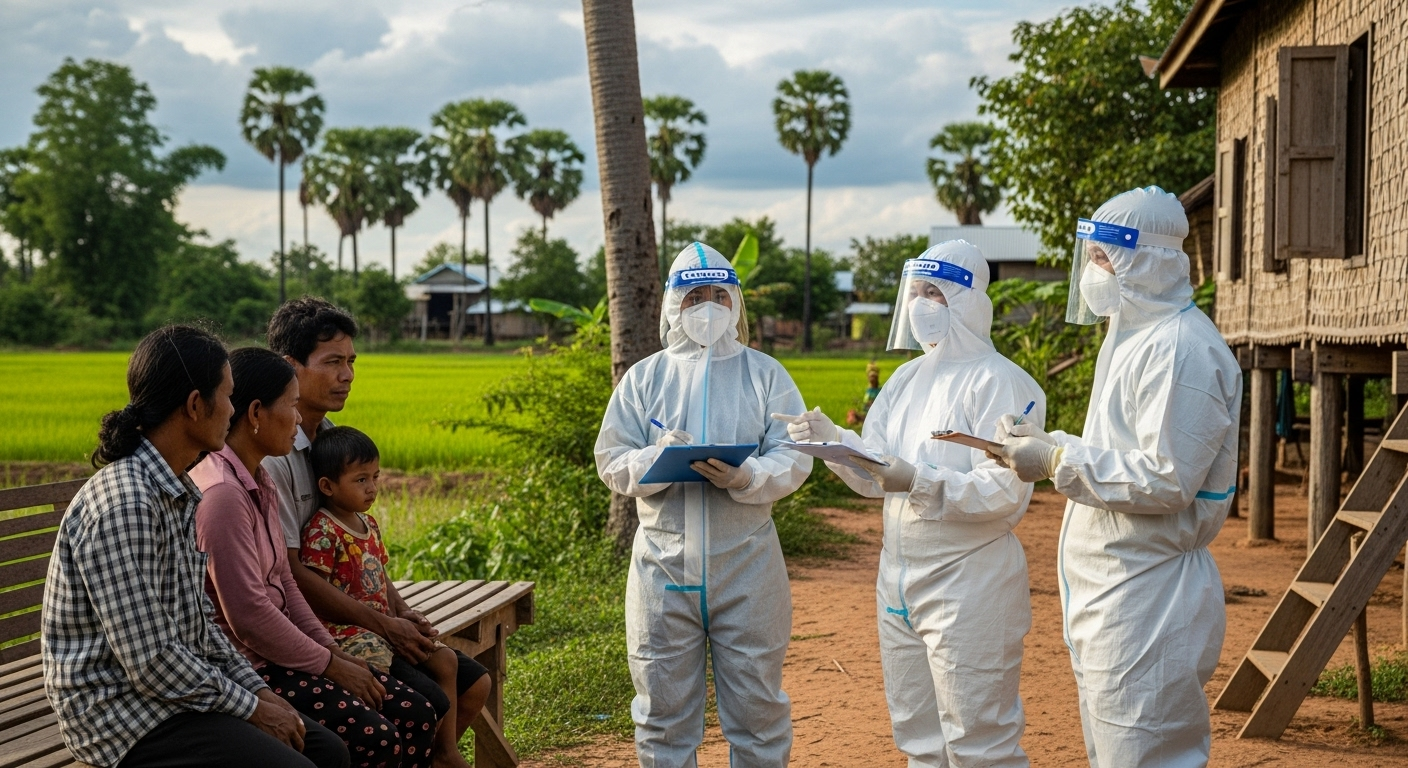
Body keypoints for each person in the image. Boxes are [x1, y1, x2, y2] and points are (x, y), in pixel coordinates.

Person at [992, 187, 1241, 767]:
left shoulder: (1182, 349)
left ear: (1149, 259)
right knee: (1115, 750)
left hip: (1150, 595)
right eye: (1094, 257)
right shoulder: (1133, 336)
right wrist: (1048, 444)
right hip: (1115, 588)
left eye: (1106, 257)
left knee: (1145, 753)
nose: (1094, 271)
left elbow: (1167, 479)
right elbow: (1120, 451)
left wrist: (1056, 463)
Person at [774, 240, 1043, 767]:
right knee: (918, 735)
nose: (920, 303)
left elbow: (1004, 488)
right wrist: (836, 444)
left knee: (979, 738)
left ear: (966, 301)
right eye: (915, 291)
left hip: (969, 578)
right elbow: (877, 475)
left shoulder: (1000, 380)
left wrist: (917, 479)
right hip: (896, 573)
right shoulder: (905, 379)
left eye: (934, 292)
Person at [42, 326, 348, 768]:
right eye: (227, 396)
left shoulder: (177, 488)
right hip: (121, 716)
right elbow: (151, 660)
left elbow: (199, 627)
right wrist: (252, 707)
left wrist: (259, 693)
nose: (232, 409)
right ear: (194, 405)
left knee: (327, 749)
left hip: (171, 695)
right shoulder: (127, 503)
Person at [595, 242, 813, 767]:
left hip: (747, 563)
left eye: (719, 294)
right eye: (695, 296)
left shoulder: (766, 374)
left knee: (758, 710)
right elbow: (610, 458)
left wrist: (749, 473)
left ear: (736, 302)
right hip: (662, 568)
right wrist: (656, 457)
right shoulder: (645, 377)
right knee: (661, 714)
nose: (708, 306)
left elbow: (795, 453)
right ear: (674, 304)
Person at [192, 347, 439, 768]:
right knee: (377, 737)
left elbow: (284, 583)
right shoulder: (223, 495)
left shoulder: (259, 478)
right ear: (256, 413)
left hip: (286, 651)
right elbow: (249, 617)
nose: (299, 420)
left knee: (416, 712)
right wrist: (330, 665)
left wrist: (332, 653)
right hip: (253, 666)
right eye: (291, 406)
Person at [264, 299, 468, 722]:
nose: (347, 375)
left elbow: (362, 550)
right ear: (290, 366)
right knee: (429, 703)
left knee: (471, 681)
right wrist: (383, 624)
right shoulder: (273, 456)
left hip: (358, 615)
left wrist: (398, 611)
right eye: (333, 361)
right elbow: (290, 568)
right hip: (320, 628)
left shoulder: (334, 439)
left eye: (351, 361)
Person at [301, 426, 488, 768]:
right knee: (410, 693)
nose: (372, 487)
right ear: (327, 486)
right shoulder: (322, 530)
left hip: (385, 627)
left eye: (375, 477)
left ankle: (444, 752)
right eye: (360, 480)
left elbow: (381, 574)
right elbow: (313, 590)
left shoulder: (368, 525)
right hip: (350, 633)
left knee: (445, 661)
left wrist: (403, 612)